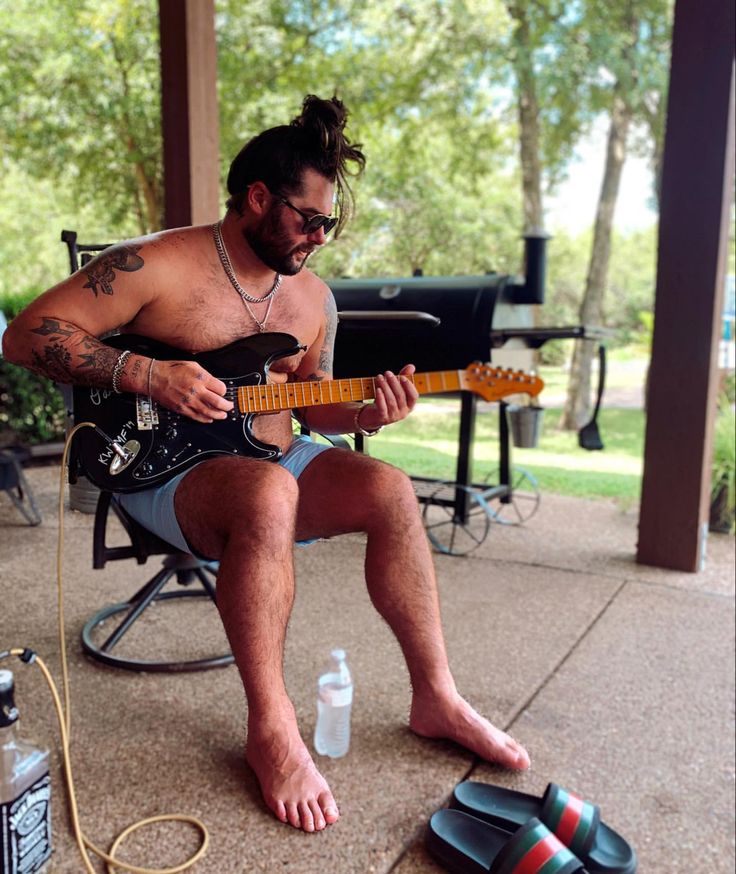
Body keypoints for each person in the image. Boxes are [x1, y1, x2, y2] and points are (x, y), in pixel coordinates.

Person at [2, 95, 529, 833]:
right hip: (167, 468)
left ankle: (435, 694)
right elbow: (27, 334)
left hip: (274, 454)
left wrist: (366, 414)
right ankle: (272, 727)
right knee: (268, 494)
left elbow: (315, 408)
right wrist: (148, 375)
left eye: (329, 224)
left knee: (388, 488)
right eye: (309, 219)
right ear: (257, 199)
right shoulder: (156, 262)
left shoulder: (314, 299)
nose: (319, 237)